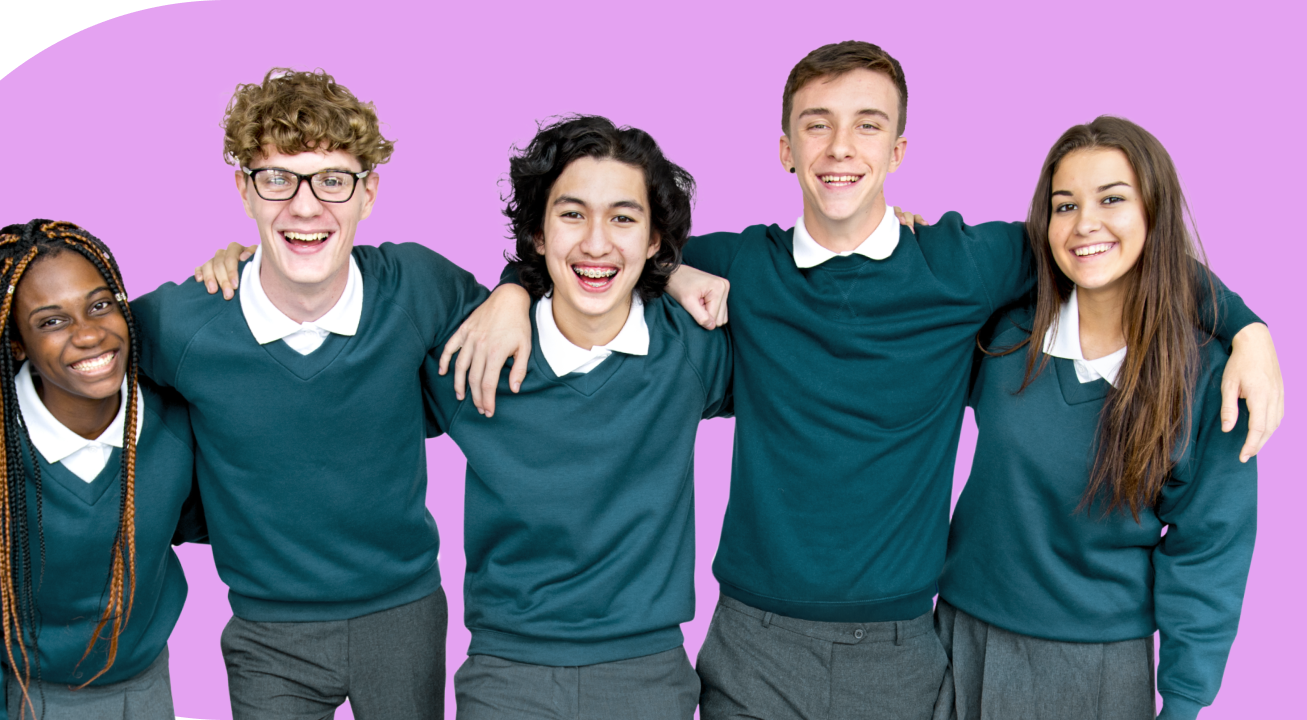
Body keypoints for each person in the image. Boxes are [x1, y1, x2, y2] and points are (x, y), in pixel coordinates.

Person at [439, 41, 1282, 719]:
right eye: (816, 125)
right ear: (783, 148)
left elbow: (1110, 251)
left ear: (898, 148)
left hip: (903, 647)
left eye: (867, 125)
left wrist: (1248, 328)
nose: (840, 148)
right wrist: (518, 289)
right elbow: (607, 250)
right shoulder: (743, 265)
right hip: (751, 641)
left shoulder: (968, 263)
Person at [0, 68, 495, 719]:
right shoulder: (181, 321)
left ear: (369, 192)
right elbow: (71, 356)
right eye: (277, 178)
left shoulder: (419, 283)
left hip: (403, 611)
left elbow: (514, 329)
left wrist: (518, 290)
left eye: (332, 179)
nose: (305, 207)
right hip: (268, 632)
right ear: (245, 189)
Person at [935, 117, 1257, 720]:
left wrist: (1184, 702)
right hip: (961, 639)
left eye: (1112, 198)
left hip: (1098, 671)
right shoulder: (1007, 333)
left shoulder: (1212, 377)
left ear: (1154, 211)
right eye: (1065, 205)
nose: (1085, 223)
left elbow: (1212, 551)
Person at [415, 116, 730, 719]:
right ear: (536, 234)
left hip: (649, 675)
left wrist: (898, 230)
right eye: (571, 214)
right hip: (507, 675)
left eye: (623, 218)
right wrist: (251, 262)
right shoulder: (474, 354)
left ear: (655, 238)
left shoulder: (692, 347)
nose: (595, 243)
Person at [0, 219, 204, 720]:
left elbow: (214, 520)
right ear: (17, 344)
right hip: (32, 699)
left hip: (148, 688)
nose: (89, 334)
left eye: (101, 305)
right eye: (51, 321)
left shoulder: (174, 418)